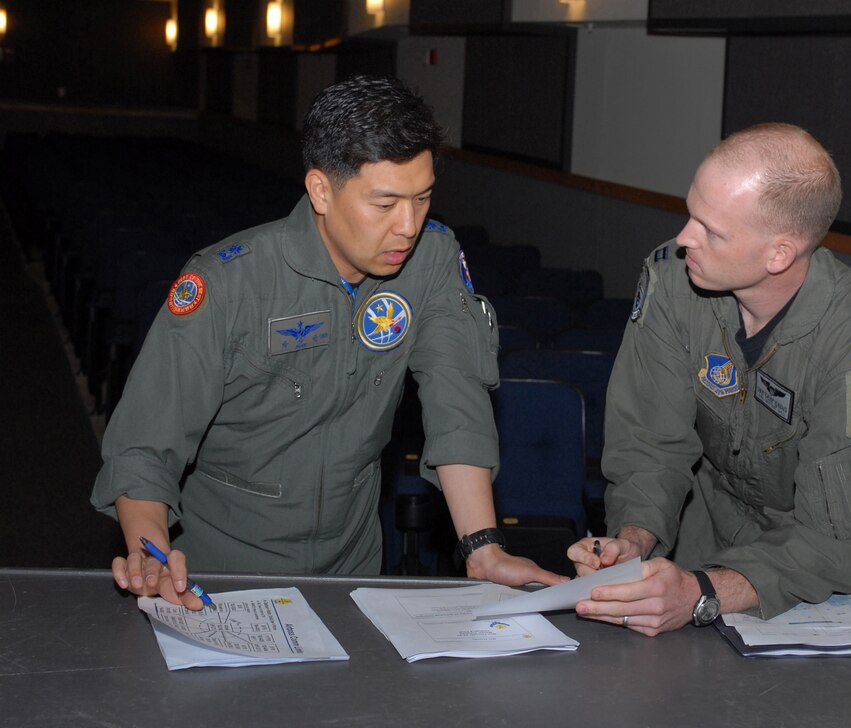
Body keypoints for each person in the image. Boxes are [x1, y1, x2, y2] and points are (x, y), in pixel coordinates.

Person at [91, 75, 562, 610]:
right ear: (321, 190)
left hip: (351, 569)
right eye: (384, 204)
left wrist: (482, 548)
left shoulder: (431, 260)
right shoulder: (229, 283)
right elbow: (144, 447)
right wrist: (150, 552)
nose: (407, 226)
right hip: (221, 572)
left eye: (423, 198)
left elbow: (459, 400)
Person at [569, 123, 851, 635]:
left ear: (779, 254)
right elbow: (650, 443)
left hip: (801, 584)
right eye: (691, 214)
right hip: (697, 536)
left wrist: (704, 593)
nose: (684, 238)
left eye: (712, 230)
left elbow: (841, 537)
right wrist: (632, 541)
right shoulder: (672, 281)